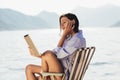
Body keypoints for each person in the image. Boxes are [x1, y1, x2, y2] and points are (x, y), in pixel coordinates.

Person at [25, 13, 86, 80]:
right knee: (29, 68)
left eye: (64, 23)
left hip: (66, 74)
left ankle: (45, 76)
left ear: (73, 22)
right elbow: (54, 54)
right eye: (61, 24)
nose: (62, 26)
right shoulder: (70, 39)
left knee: (48, 53)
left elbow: (57, 55)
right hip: (59, 70)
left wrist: (63, 35)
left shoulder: (77, 40)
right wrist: (37, 55)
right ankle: (45, 75)